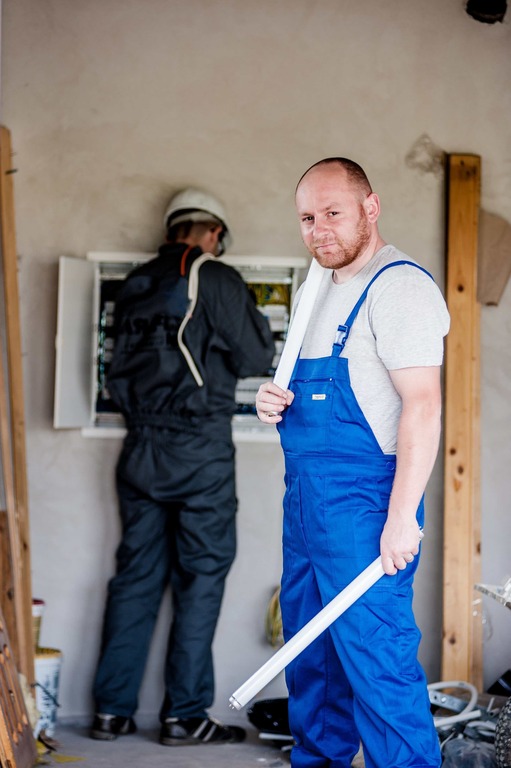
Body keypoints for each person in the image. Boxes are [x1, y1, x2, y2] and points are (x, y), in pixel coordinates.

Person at [256, 158, 450, 768]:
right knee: (311, 664)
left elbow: (423, 407)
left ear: (371, 208)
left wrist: (401, 520)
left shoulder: (400, 288)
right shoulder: (315, 288)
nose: (320, 231)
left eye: (333, 214)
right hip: (307, 505)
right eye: (308, 218)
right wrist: (272, 397)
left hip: (368, 508)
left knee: (377, 663)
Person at [90, 188, 275, 746]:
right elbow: (257, 357)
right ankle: (184, 716)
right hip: (198, 451)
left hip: (139, 448)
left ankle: (109, 712)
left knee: (135, 577)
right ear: (214, 234)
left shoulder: (137, 283)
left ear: (172, 228)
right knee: (200, 579)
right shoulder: (215, 278)